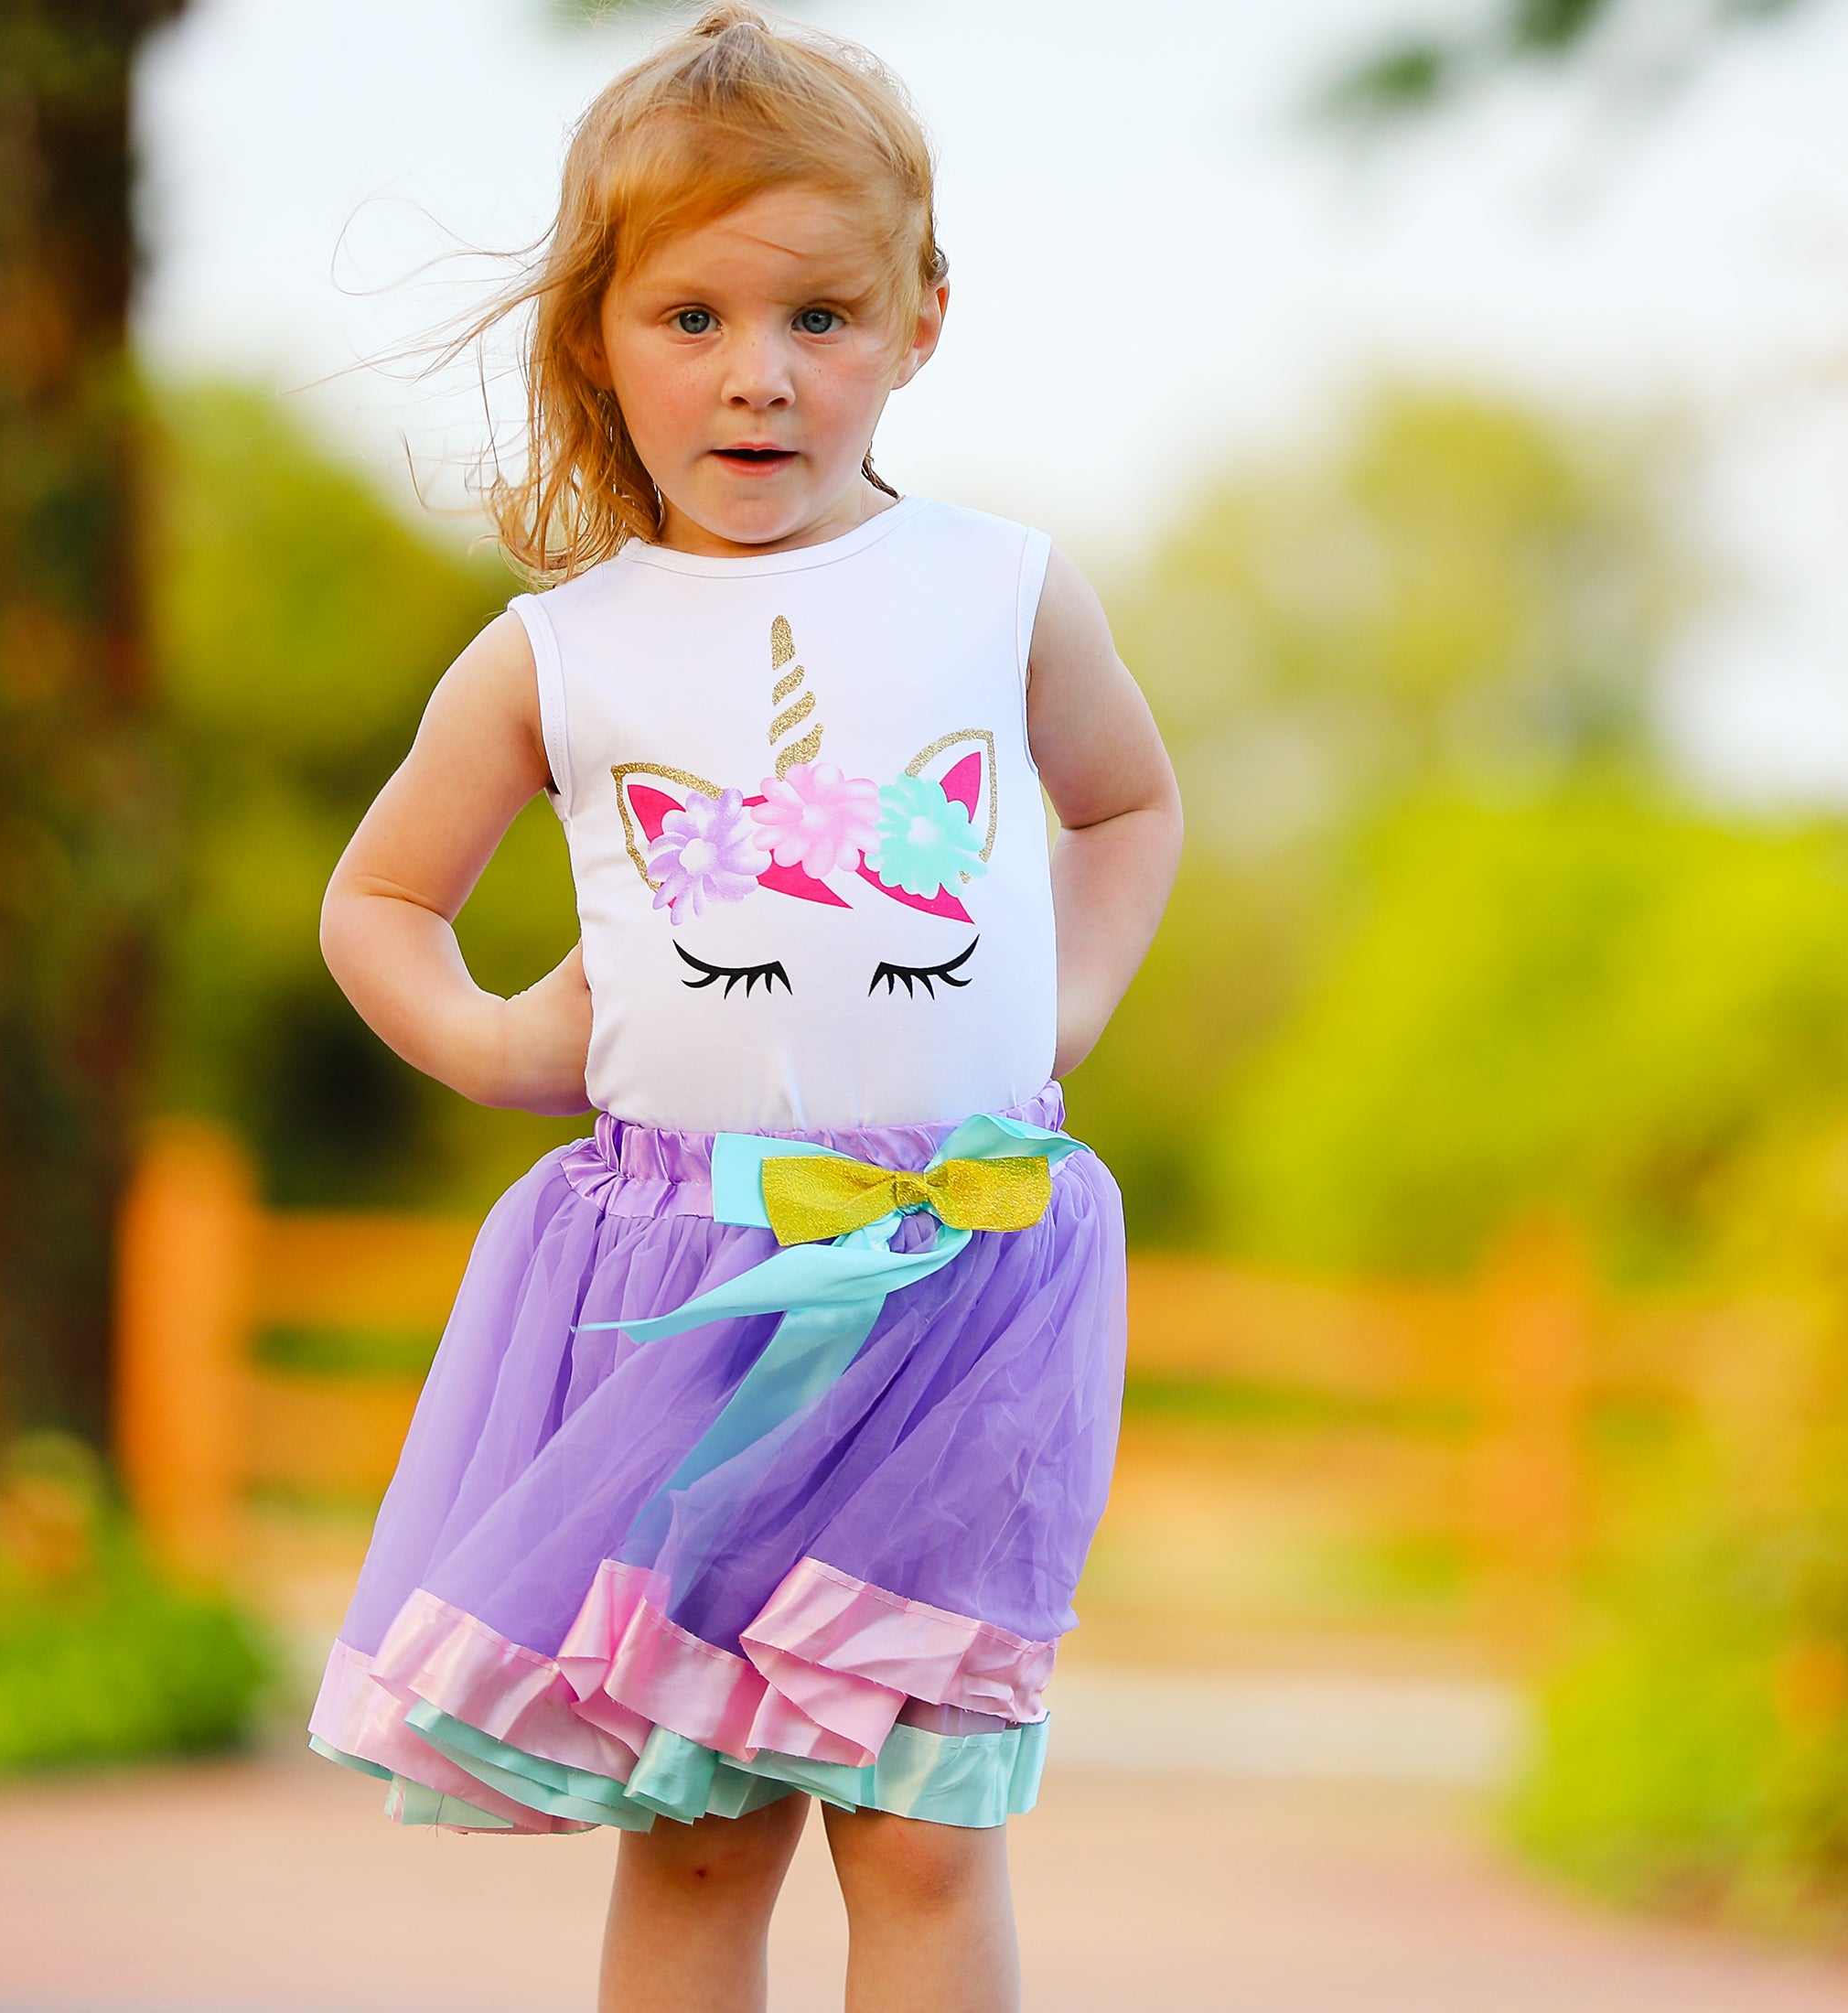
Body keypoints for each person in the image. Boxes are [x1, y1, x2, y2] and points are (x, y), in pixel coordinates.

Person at [309, 7, 1181, 2008]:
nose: (759, 373)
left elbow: (1123, 801)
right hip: (682, 1292)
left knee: (921, 1827)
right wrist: (494, 1039)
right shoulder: (560, 649)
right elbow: (376, 897)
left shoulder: (1001, 587)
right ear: (594, 336)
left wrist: (1067, 1004)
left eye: (820, 314)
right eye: (689, 316)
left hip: (956, 1283)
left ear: (921, 320)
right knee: (700, 1834)